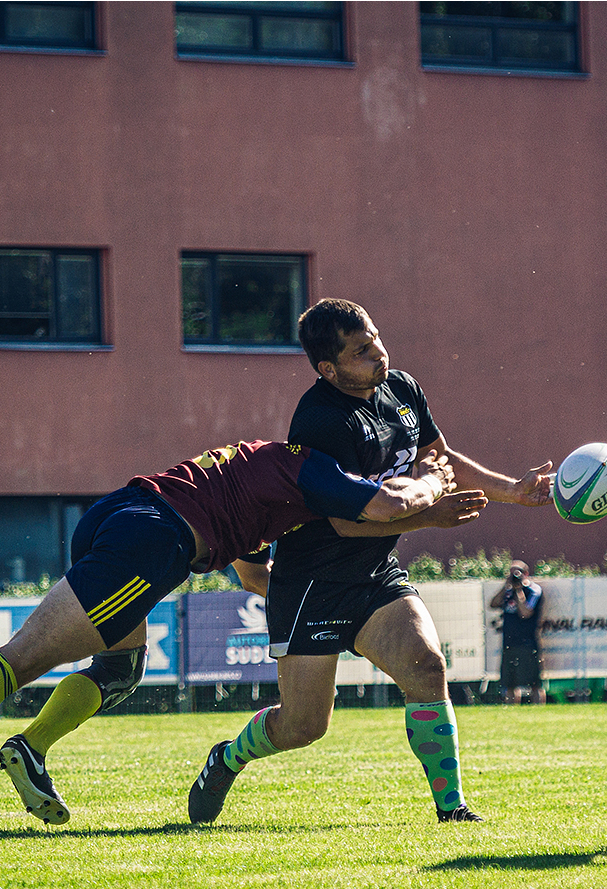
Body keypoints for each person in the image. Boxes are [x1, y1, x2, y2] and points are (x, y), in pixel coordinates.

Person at [0, 439, 473, 825]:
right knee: (23, 659)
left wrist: (329, 608)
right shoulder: (311, 470)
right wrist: (431, 490)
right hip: (157, 542)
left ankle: (30, 748)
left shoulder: (259, 472)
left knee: (122, 668)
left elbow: (255, 576)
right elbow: (385, 505)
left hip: (123, 511)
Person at [188, 298, 553, 825]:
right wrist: (431, 518)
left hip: (376, 573)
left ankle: (452, 810)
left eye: (377, 338)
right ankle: (227, 759)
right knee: (303, 726)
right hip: (313, 581)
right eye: (362, 351)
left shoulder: (401, 388)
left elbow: (440, 459)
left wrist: (513, 492)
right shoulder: (319, 422)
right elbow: (344, 522)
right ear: (329, 369)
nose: (379, 354)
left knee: (428, 668)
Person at [490, 560, 546, 704]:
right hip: (509, 642)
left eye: (518, 572)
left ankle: (540, 710)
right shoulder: (507, 592)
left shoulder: (533, 590)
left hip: (527, 643)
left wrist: (519, 590)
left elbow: (525, 613)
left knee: (534, 684)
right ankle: (511, 712)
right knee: (509, 684)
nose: (514, 575)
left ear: (526, 573)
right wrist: (506, 586)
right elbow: (493, 604)